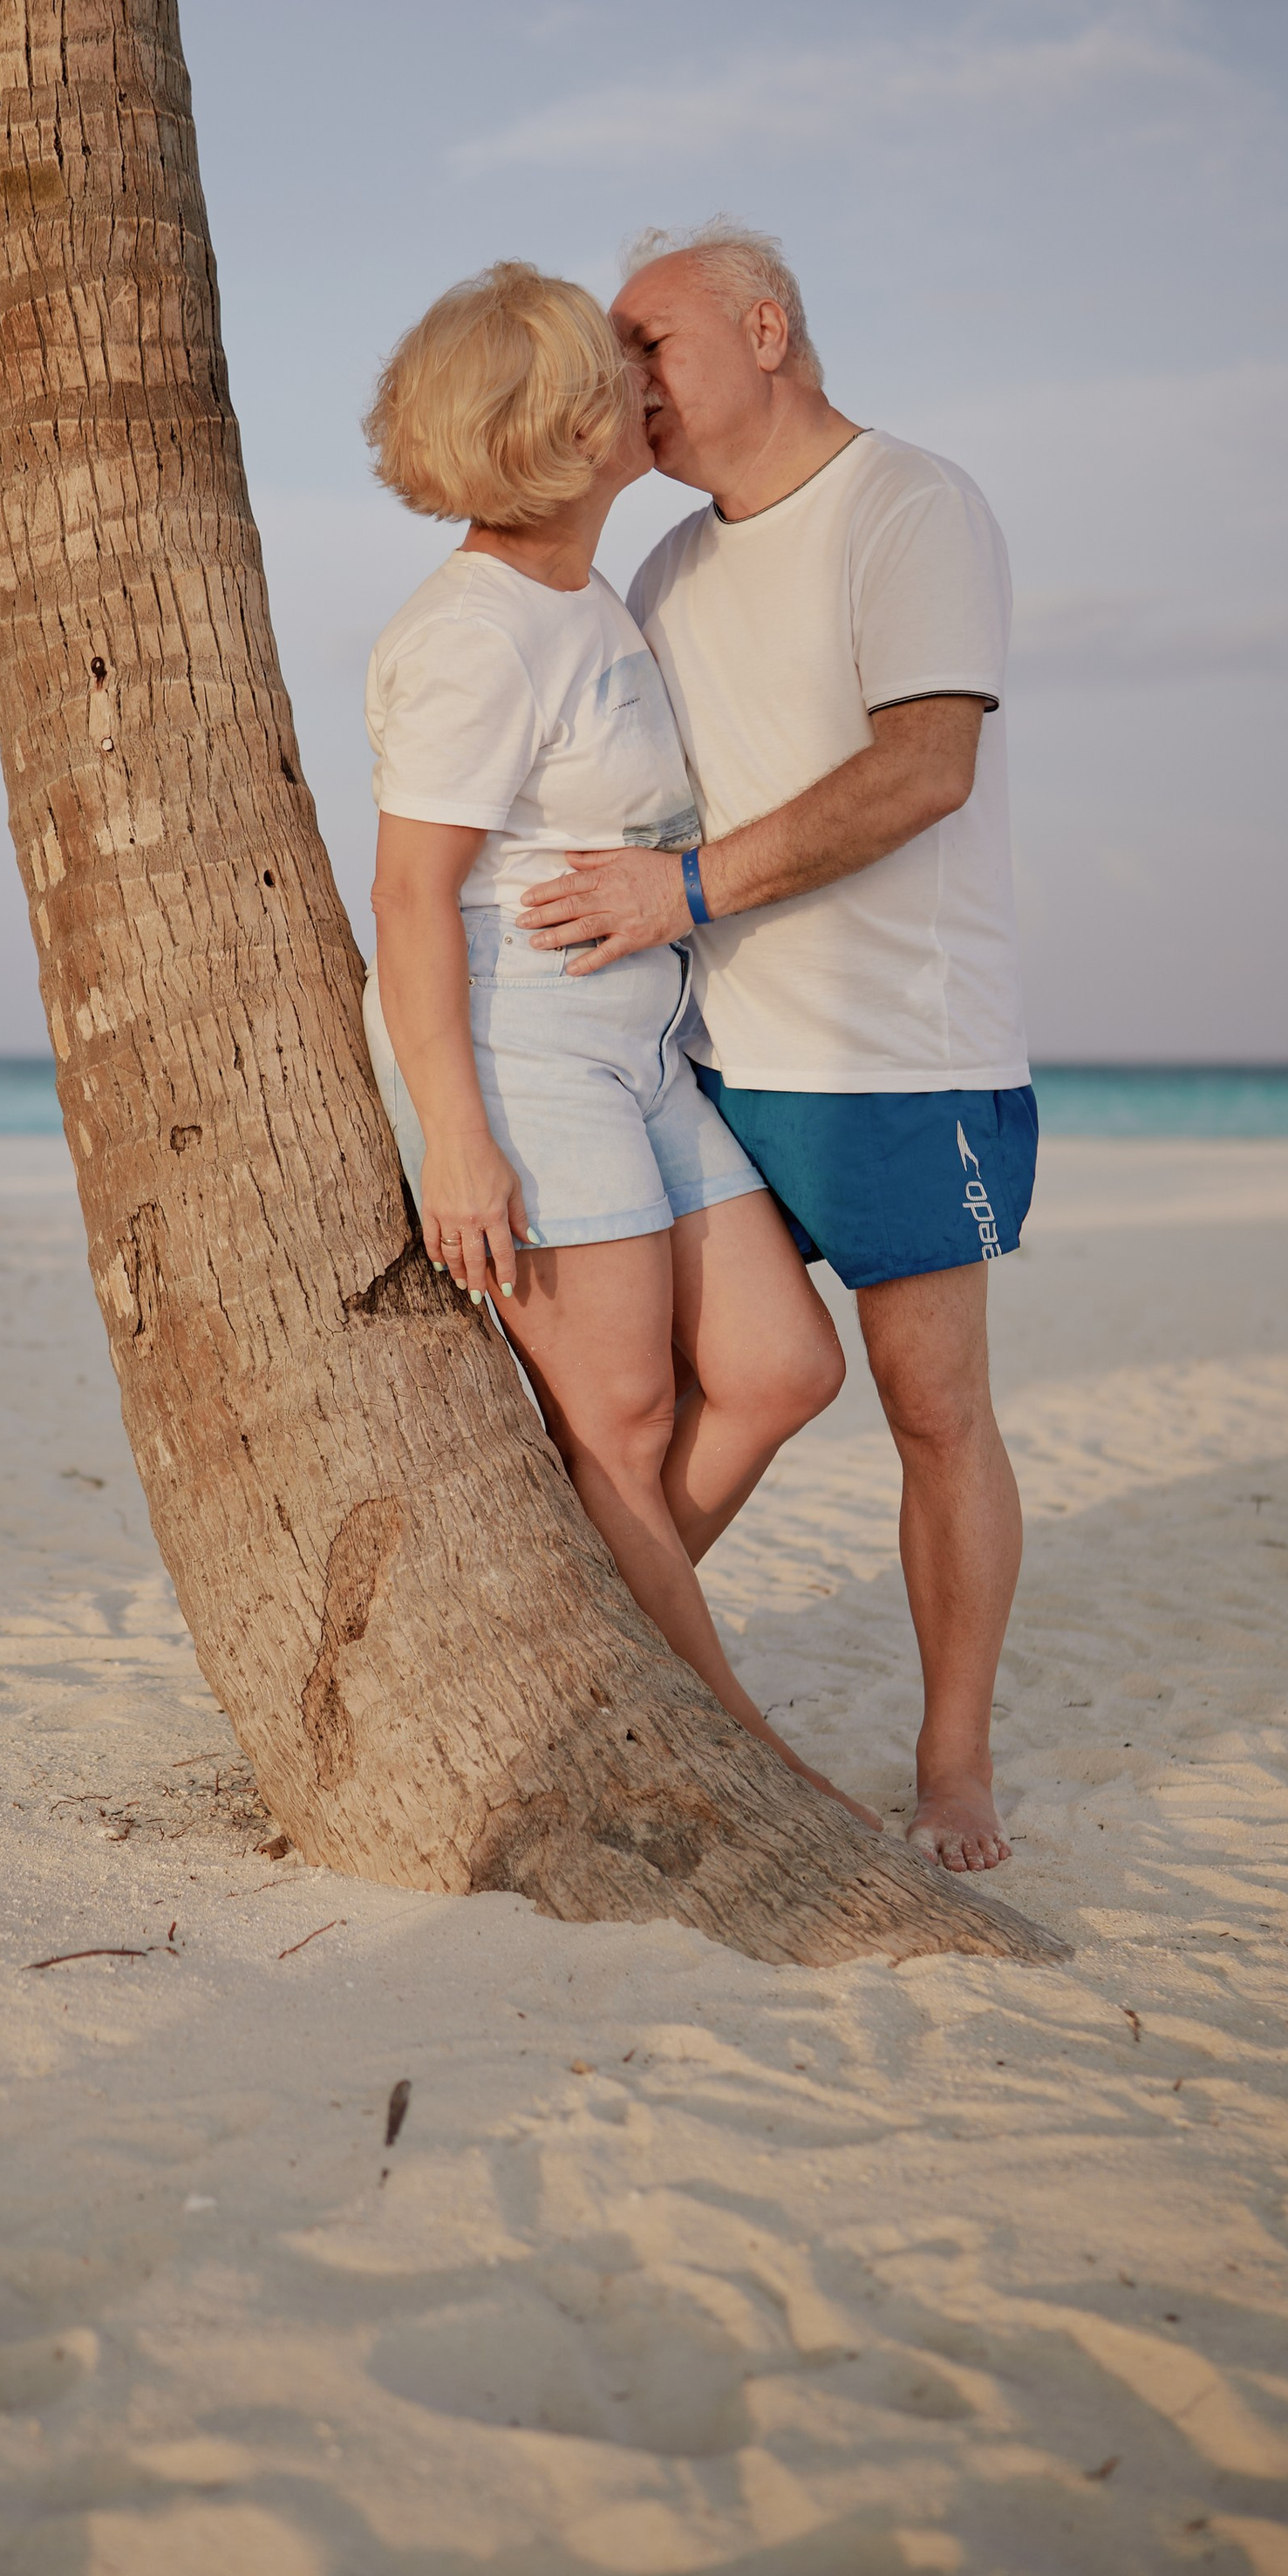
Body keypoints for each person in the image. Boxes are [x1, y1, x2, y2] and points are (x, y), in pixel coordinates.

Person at [517, 219, 1034, 1874]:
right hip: (703, 1055)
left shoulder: (912, 503)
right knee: (679, 1395)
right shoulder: (665, 571)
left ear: (764, 329)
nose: (626, 384)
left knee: (932, 1404)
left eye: (646, 346)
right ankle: (589, 1675)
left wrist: (683, 888)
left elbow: (925, 769)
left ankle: (953, 1761)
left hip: (904, 1056)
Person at [359, 261, 873, 1833]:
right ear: (571, 430)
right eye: (621, 371)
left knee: (785, 1367)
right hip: (534, 1056)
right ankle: (736, 1751)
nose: (649, 387)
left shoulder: (586, 595)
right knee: (628, 1428)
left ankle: (591, 1649)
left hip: (645, 1047)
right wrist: (457, 1131)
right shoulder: (479, 635)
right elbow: (408, 897)